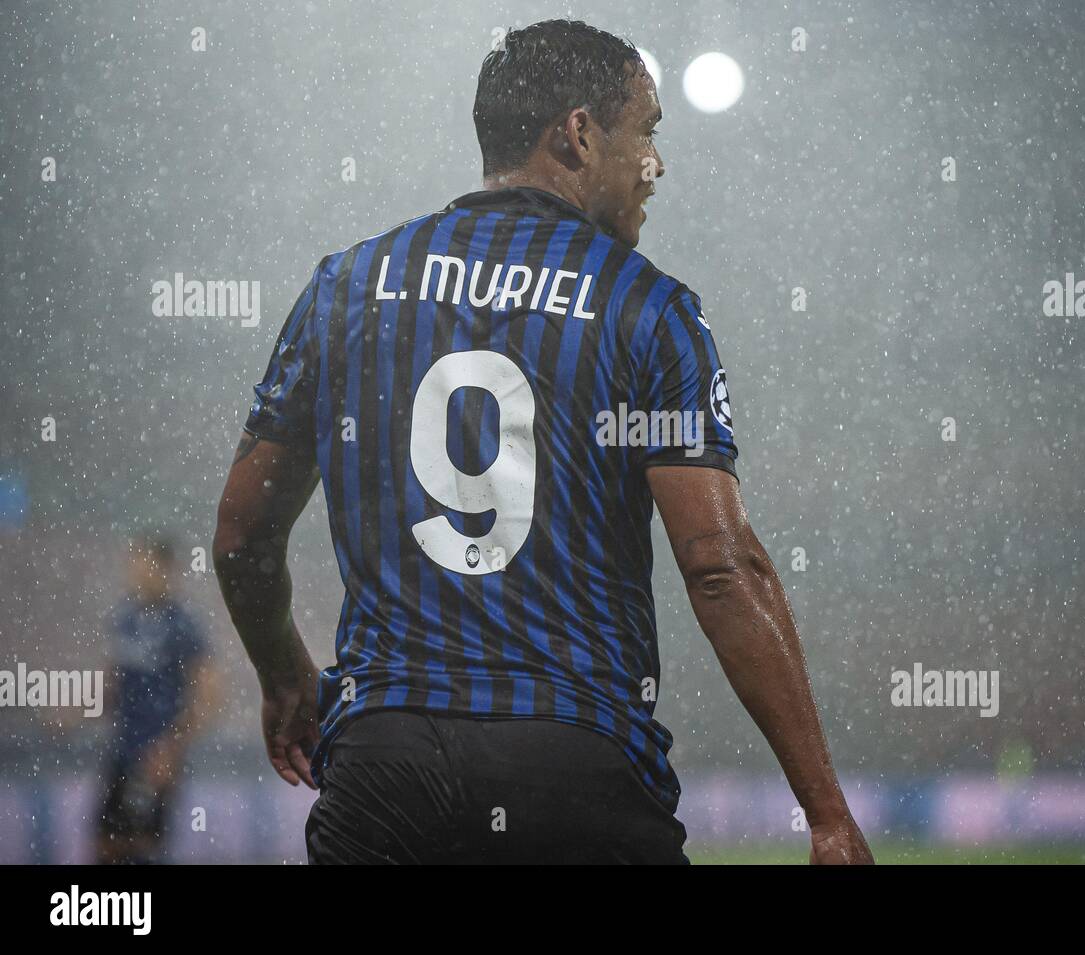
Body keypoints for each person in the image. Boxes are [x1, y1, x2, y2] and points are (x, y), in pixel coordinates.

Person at [214, 18, 872, 864]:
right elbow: (717, 564)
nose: (656, 166)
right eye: (647, 133)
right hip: (574, 763)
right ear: (580, 133)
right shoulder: (649, 307)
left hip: (384, 763)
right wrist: (824, 812)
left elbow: (242, 532)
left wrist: (284, 676)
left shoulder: (347, 286)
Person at [97, 535, 217, 864]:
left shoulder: (183, 625)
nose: (137, 571)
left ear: (166, 569)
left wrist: (171, 748)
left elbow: (207, 694)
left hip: (156, 755)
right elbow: (113, 684)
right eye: (134, 562)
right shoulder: (125, 617)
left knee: (141, 846)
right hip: (122, 750)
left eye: (145, 563)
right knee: (105, 846)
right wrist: (75, 711)